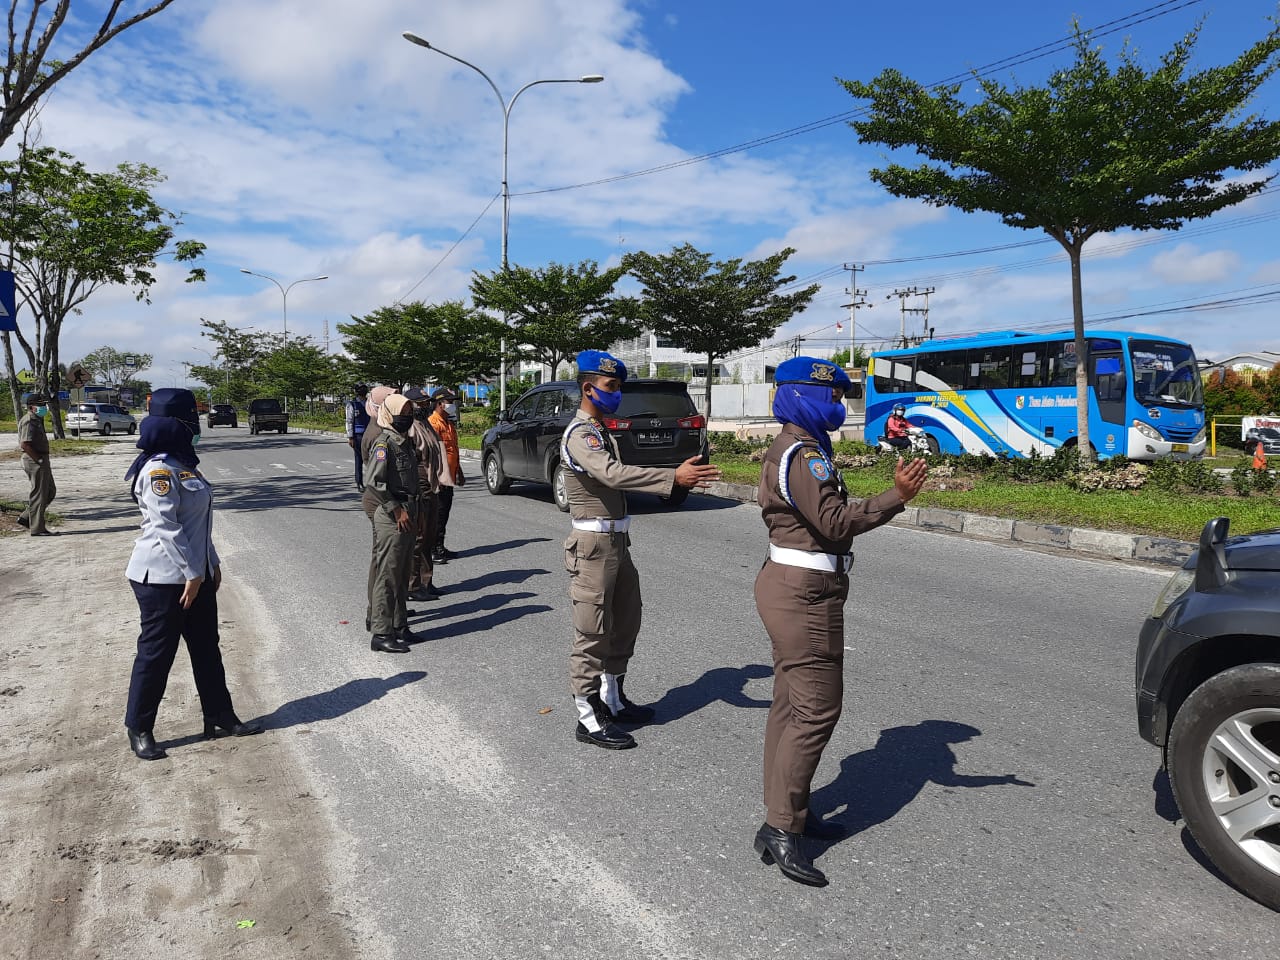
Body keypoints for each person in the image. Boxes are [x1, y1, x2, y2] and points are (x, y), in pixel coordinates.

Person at [752, 358, 927, 886]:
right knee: (816, 711)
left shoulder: (802, 446)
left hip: (791, 585)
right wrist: (896, 497)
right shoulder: (801, 453)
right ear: (801, 396)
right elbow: (832, 521)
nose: (839, 405)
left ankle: (788, 811)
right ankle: (782, 828)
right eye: (831, 396)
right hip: (805, 594)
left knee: (791, 704)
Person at [561, 349, 722, 750]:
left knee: (626, 621)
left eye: (619, 386)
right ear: (588, 389)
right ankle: (588, 715)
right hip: (592, 546)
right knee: (592, 630)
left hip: (617, 541)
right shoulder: (580, 434)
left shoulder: (600, 430)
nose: (617, 393)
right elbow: (611, 475)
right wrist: (672, 478)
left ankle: (613, 698)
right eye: (611, 386)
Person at [122, 388, 260, 761]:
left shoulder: (185, 465)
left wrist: (211, 564)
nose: (196, 428)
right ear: (174, 426)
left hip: (195, 575)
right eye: (190, 421)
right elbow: (166, 528)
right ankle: (139, 727)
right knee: (156, 654)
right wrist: (193, 572)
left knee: (206, 648)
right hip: (161, 579)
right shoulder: (159, 471)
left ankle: (219, 715)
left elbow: (200, 524)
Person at [363, 393, 420, 653]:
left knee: (402, 573)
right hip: (392, 515)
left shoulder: (404, 441)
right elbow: (374, 482)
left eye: (409, 413)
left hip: (408, 511)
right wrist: (396, 510)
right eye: (401, 413)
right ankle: (381, 632)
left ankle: (399, 625)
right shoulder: (384, 443)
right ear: (388, 414)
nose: (406, 417)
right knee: (387, 575)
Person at [404, 387, 445, 602]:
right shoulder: (409, 427)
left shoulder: (425, 423)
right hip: (419, 483)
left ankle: (426, 581)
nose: (424, 406)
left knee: (429, 535)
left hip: (432, 483)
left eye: (426, 402)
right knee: (418, 537)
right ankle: (413, 584)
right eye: (419, 403)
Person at [428, 388, 464, 563]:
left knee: (444, 513)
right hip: (440, 478)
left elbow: (453, 450)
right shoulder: (433, 423)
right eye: (449, 402)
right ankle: (433, 549)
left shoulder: (448, 423)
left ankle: (440, 545)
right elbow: (433, 454)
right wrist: (438, 477)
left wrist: (459, 471)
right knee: (437, 514)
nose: (452, 405)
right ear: (440, 403)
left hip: (449, 476)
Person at [17, 392, 56, 536]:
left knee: (50, 491)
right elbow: (25, 444)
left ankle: (27, 517)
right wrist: (38, 460)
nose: (44, 407)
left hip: (41, 458)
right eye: (40, 405)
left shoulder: (36, 419)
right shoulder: (29, 420)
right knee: (39, 494)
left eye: (44, 404)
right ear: (31, 407)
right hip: (34, 459)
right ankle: (37, 528)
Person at [345, 383, 371, 492]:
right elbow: (349, 421)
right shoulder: (352, 404)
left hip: (370, 434)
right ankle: (359, 482)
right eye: (360, 389)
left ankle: (372, 483)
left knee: (372, 459)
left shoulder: (370, 403)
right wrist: (350, 437)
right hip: (358, 435)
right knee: (359, 459)